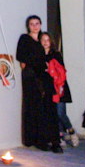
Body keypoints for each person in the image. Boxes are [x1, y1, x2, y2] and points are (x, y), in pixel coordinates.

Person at [16, 16, 61, 153]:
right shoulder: (25, 39)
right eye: (32, 24)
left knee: (49, 108)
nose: (35, 26)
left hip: (45, 77)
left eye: (37, 23)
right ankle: (38, 140)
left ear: (40, 25)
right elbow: (22, 59)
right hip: (32, 77)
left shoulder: (43, 39)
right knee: (35, 107)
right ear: (28, 26)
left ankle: (54, 141)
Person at [40, 32, 78, 147]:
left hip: (60, 87)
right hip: (49, 88)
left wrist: (50, 70)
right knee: (53, 113)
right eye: (43, 40)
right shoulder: (39, 55)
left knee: (60, 112)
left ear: (51, 41)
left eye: (47, 40)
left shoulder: (56, 54)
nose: (45, 42)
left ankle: (71, 131)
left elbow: (61, 71)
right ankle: (59, 135)